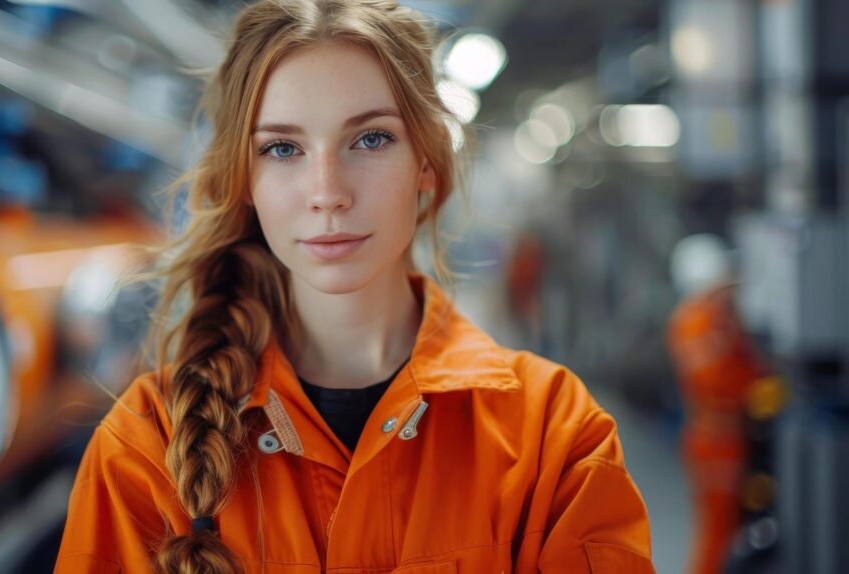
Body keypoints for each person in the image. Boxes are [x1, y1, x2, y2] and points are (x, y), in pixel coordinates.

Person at [55, 1, 654, 572]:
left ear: (425, 158)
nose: (328, 192)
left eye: (370, 139)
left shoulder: (554, 436)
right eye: (283, 148)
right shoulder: (142, 446)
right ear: (244, 178)